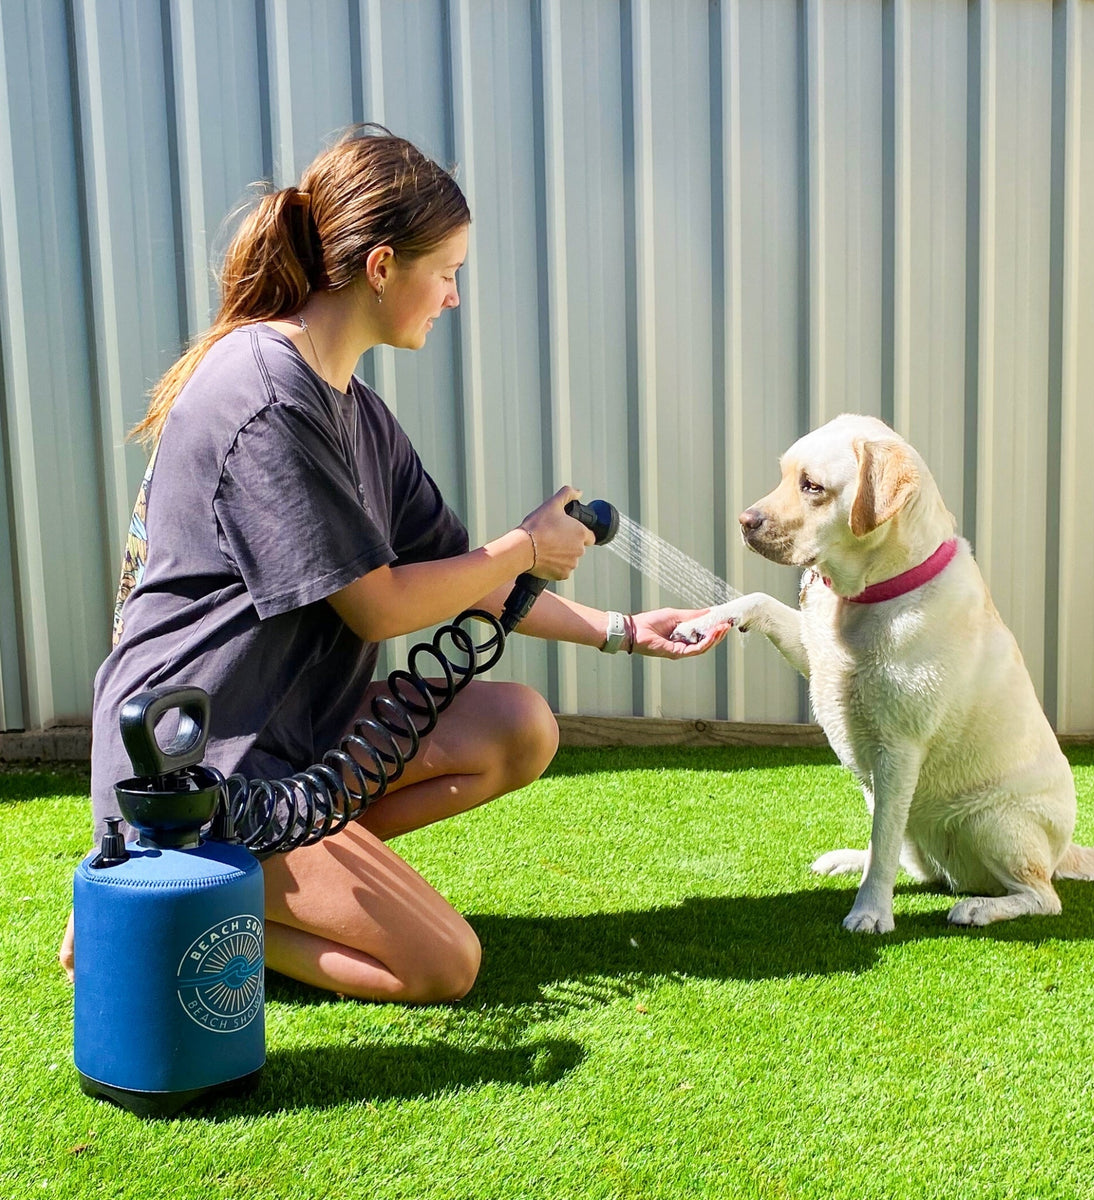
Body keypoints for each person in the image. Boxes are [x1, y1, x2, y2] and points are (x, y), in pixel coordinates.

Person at [59, 125, 728, 1003]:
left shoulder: (355, 409)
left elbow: (460, 571)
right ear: (381, 268)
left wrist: (627, 630)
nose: (454, 296)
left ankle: (283, 876)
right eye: (446, 272)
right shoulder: (265, 397)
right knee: (441, 964)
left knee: (519, 727)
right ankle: (154, 901)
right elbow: (379, 607)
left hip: (299, 737)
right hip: (203, 770)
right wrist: (528, 545)